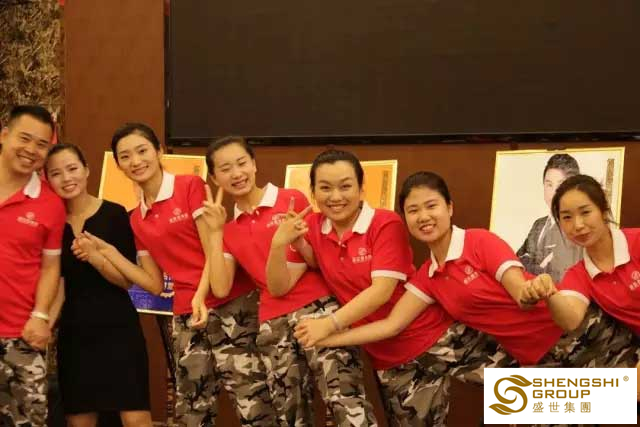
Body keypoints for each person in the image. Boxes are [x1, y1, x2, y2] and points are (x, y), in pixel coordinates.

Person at [302, 171, 637, 413]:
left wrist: (535, 290)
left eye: (431, 206)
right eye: (413, 211)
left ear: (450, 207)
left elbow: (519, 290)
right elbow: (391, 325)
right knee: (591, 409)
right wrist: (326, 338)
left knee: (623, 401)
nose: (424, 217)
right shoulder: (428, 276)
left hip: (586, 338)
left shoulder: (479, 242)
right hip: (540, 362)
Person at [267, 150, 499, 426]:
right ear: (313, 192)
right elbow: (279, 287)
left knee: (533, 402)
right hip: (392, 360)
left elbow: (381, 291)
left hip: (440, 336)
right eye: (325, 188)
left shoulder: (385, 223)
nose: (336, 196)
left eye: (345, 186)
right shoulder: (313, 227)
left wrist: (329, 324)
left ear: (362, 188)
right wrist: (279, 244)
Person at [203, 137, 376, 427]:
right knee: (291, 415)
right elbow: (220, 287)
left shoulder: (290, 199)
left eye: (242, 163)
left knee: (346, 401)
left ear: (254, 164)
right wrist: (216, 233)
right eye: (225, 168)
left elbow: (313, 259)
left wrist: (287, 248)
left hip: (318, 310)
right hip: (273, 325)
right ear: (214, 177)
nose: (236, 173)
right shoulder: (229, 229)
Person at [111, 124, 275, 427]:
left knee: (252, 401)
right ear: (118, 165)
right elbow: (153, 283)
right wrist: (109, 254)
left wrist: (201, 296)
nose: (135, 161)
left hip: (230, 303)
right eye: (125, 156)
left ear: (159, 151)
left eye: (142, 151)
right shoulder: (137, 219)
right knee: (191, 408)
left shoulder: (189, 186)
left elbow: (212, 248)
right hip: (185, 313)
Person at [45, 143, 161, 427]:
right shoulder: (52, 224)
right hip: (74, 333)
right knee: (80, 419)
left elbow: (125, 280)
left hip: (118, 328)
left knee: (135, 417)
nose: (67, 178)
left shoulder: (114, 213)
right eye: (56, 173)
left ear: (86, 170)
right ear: (47, 180)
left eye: (72, 168)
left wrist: (95, 258)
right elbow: (56, 283)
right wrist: (45, 325)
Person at [0, 105, 65, 427]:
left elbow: (51, 267)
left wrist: (41, 316)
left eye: (41, 145)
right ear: (4, 135)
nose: (31, 150)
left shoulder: (50, 204)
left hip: (20, 336)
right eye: (24, 139)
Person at [517, 153, 582, 282]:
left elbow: (559, 274)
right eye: (549, 185)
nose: (553, 192)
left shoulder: (577, 227)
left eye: (560, 185)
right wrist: (538, 267)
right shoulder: (539, 224)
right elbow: (517, 260)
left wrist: (529, 265)